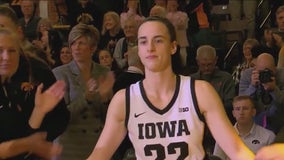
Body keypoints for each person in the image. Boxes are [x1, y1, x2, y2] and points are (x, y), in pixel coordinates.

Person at [87, 16, 254, 160]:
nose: (150, 47)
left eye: (158, 40)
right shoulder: (124, 100)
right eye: (143, 41)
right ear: (138, 50)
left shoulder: (200, 91)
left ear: (173, 47)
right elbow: (101, 152)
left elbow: (236, 149)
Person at [0, 27, 70, 159]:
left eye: (12, 51)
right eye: (0, 50)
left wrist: (39, 111)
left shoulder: (36, 74)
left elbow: (25, 137)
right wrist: (28, 144)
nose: (6, 57)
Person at [52, 24, 115, 160]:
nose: (76, 47)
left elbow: (110, 118)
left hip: (97, 145)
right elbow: (60, 117)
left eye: (81, 43)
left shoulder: (104, 72)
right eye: (73, 43)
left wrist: (105, 99)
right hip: (69, 147)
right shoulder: (60, 73)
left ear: (93, 48)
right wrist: (86, 98)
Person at [213, 95, 275, 160]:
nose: (241, 112)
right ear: (233, 113)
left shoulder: (268, 136)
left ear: (253, 112)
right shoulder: (223, 136)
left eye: (245, 108)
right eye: (237, 109)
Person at [238, 53, 284, 135]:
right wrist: (252, 87)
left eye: (268, 72)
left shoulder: (282, 76)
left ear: (275, 69)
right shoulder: (247, 75)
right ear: (255, 69)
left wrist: (274, 90)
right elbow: (240, 103)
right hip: (254, 121)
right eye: (260, 72)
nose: (264, 75)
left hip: (279, 122)